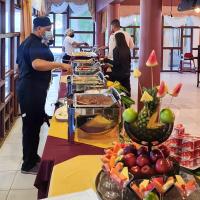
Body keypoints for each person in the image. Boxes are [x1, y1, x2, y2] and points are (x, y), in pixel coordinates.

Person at [16, 16, 72, 175]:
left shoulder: (32, 42)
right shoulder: (32, 42)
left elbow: (20, 62)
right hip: (30, 91)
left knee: (35, 124)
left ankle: (33, 157)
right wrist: (60, 64)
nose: (50, 32)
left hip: (34, 89)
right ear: (39, 28)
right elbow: (36, 64)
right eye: (48, 29)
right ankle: (27, 165)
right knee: (30, 127)